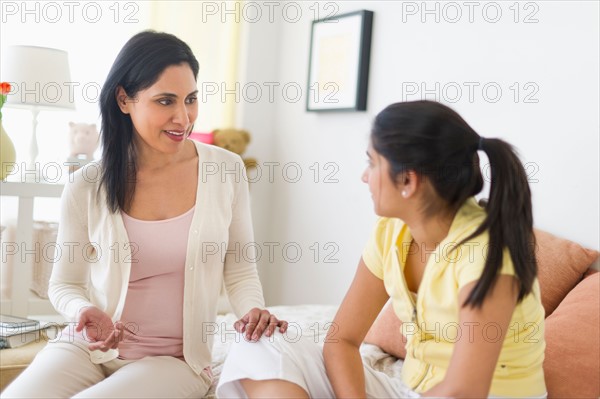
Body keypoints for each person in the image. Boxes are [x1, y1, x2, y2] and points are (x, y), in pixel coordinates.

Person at [1, 30, 286, 399]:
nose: (183, 118)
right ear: (124, 99)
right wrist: (85, 309)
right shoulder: (87, 185)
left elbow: (240, 267)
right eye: (165, 101)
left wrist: (253, 311)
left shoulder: (226, 170)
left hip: (174, 360)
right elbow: (64, 284)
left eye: (191, 99)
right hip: (87, 348)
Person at [216, 100, 547, 398]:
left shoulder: (487, 253)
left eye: (372, 163)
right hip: (414, 390)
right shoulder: (391, 232)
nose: (364, 177)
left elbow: (465, 390)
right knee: (259, 344)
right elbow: (341, 340)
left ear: (408, 181)